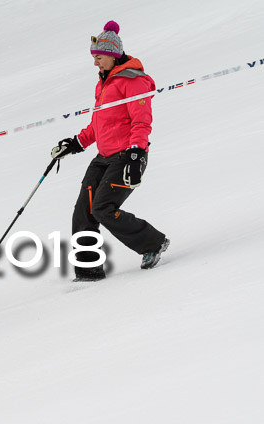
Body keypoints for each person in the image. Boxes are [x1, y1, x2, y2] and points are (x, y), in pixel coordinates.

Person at [51, 21, 170, 282]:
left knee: (103, 208)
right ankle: (88, 272)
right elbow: (100, 123)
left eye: (99, 57)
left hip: (126, 155)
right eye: (94, 57)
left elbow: (141, 122)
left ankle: (152, 243)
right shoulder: (104, 83)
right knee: (84, 211)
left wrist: (136, 153)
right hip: (103, 157)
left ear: (114, 55)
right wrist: (77, 143)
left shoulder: (133, 81)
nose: (95, 63)